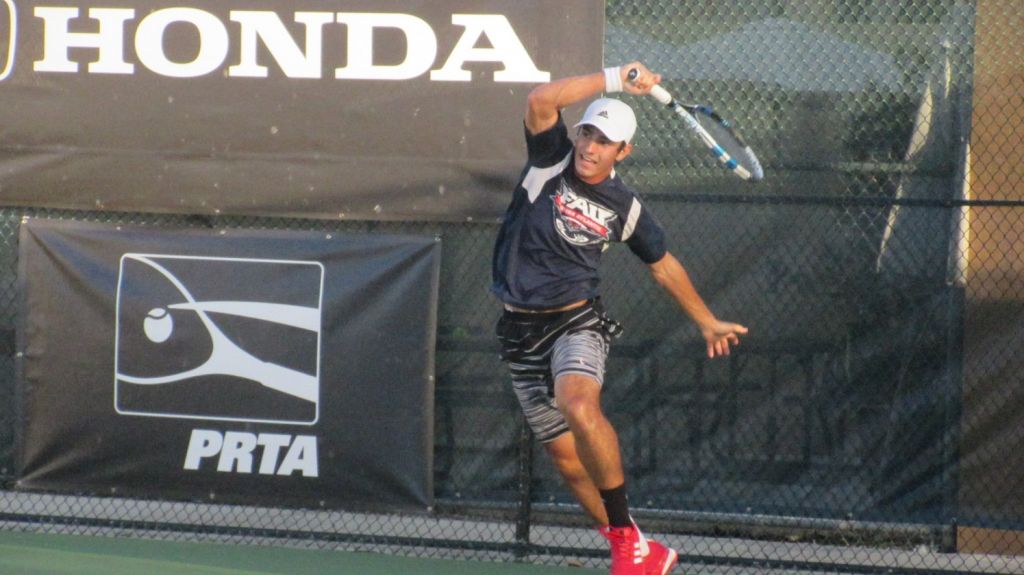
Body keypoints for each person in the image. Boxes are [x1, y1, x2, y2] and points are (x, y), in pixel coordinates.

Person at [491, 62, 749, 575]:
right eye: (587, 132)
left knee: (578, 403)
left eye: (604, 141)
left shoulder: (626, 207)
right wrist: (613, 78)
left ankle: (628, 550)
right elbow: (542, 99)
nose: (589, 147)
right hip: (518, 331)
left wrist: (706, 320)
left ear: (622, 152)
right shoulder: (550, 160)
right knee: (567, 461)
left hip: (575, 323)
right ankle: (636, 547)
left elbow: (663, 265)